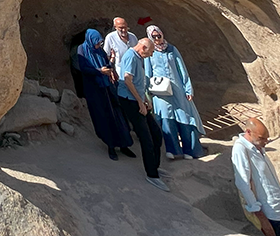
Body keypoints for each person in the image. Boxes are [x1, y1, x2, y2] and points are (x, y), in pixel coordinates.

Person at [233, 118, 280, 236]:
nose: (266, 142)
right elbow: (242, 182)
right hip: (271, 213)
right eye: (261, 138)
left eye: (266, 138)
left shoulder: (259, 148)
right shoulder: (240, 148)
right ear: (248, 132)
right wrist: (258, 212)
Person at [143, 25, 205, 160]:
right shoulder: (150, 52)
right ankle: (173, 150)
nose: (157, 39)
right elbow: (148, 73)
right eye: (154, 37)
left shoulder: (172, 49)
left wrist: (188, 88)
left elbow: (182, 69)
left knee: (185, 117)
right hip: (161, 92)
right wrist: (148, 93)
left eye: (159, 35)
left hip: (177, 89)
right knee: (166, 118)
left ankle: (191, 150)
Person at [76, 29, 135, 161]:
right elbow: (83, 67)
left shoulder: (100, 51)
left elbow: (106, 62)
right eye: (97, 43)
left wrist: (110, 66)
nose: (99, 45)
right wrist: (99, 71)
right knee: (104, 116)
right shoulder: (82, 50)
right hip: (95, 90)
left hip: (108, 86)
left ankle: (124, 144)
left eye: (100, 43)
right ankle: (111, 146)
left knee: (118, 114)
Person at [116, 38, 167, 191]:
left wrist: (145, 99)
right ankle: (151, 175)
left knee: (156, 134)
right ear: (143, 47)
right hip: (130, 101)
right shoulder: (131, 57)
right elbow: (127, 80)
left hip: (137, 99)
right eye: (150, 52)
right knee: (146, 138)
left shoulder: (138, 57)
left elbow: (139, 82)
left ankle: (155, 167)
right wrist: (139, 102)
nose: (150, 55)